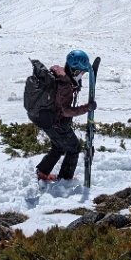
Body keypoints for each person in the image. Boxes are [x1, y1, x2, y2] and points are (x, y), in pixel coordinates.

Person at [35, 49, 96, 182]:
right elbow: (65, 111)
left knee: (59, 147)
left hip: (48, 120)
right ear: (75, 71)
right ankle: (65, 179)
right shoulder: (65, 86)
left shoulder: (61, 76)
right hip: (58, 123)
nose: (81, 76)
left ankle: (42, 173)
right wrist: (86, 108)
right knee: (74, 148)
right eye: (81, 73)